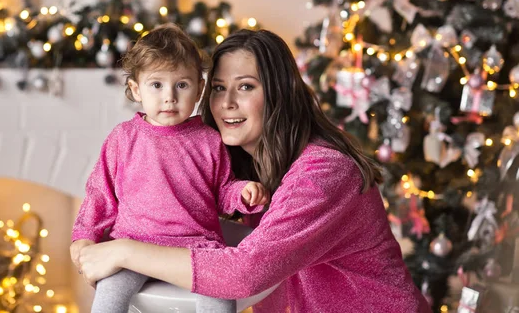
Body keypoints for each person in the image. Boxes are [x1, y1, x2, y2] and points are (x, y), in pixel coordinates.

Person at [74, 29, 431, 313]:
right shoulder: (248, 164)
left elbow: (243, 273)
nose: (227, 102)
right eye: (218, 88)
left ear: (279, 94)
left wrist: (123, 252)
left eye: (245, 86)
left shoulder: (324, 172)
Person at [70, 24, 269, 313]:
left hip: (197, 247)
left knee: (222, 297)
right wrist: (85, 237)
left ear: (200, 89)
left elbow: (222, 190)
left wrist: (243, 192)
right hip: (133, 243)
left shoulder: (210, 139)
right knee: (107, 297)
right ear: (136, 89)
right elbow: (101, 194)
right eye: (157, 85)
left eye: (182, 85)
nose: (170, 97)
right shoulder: (123, 138)